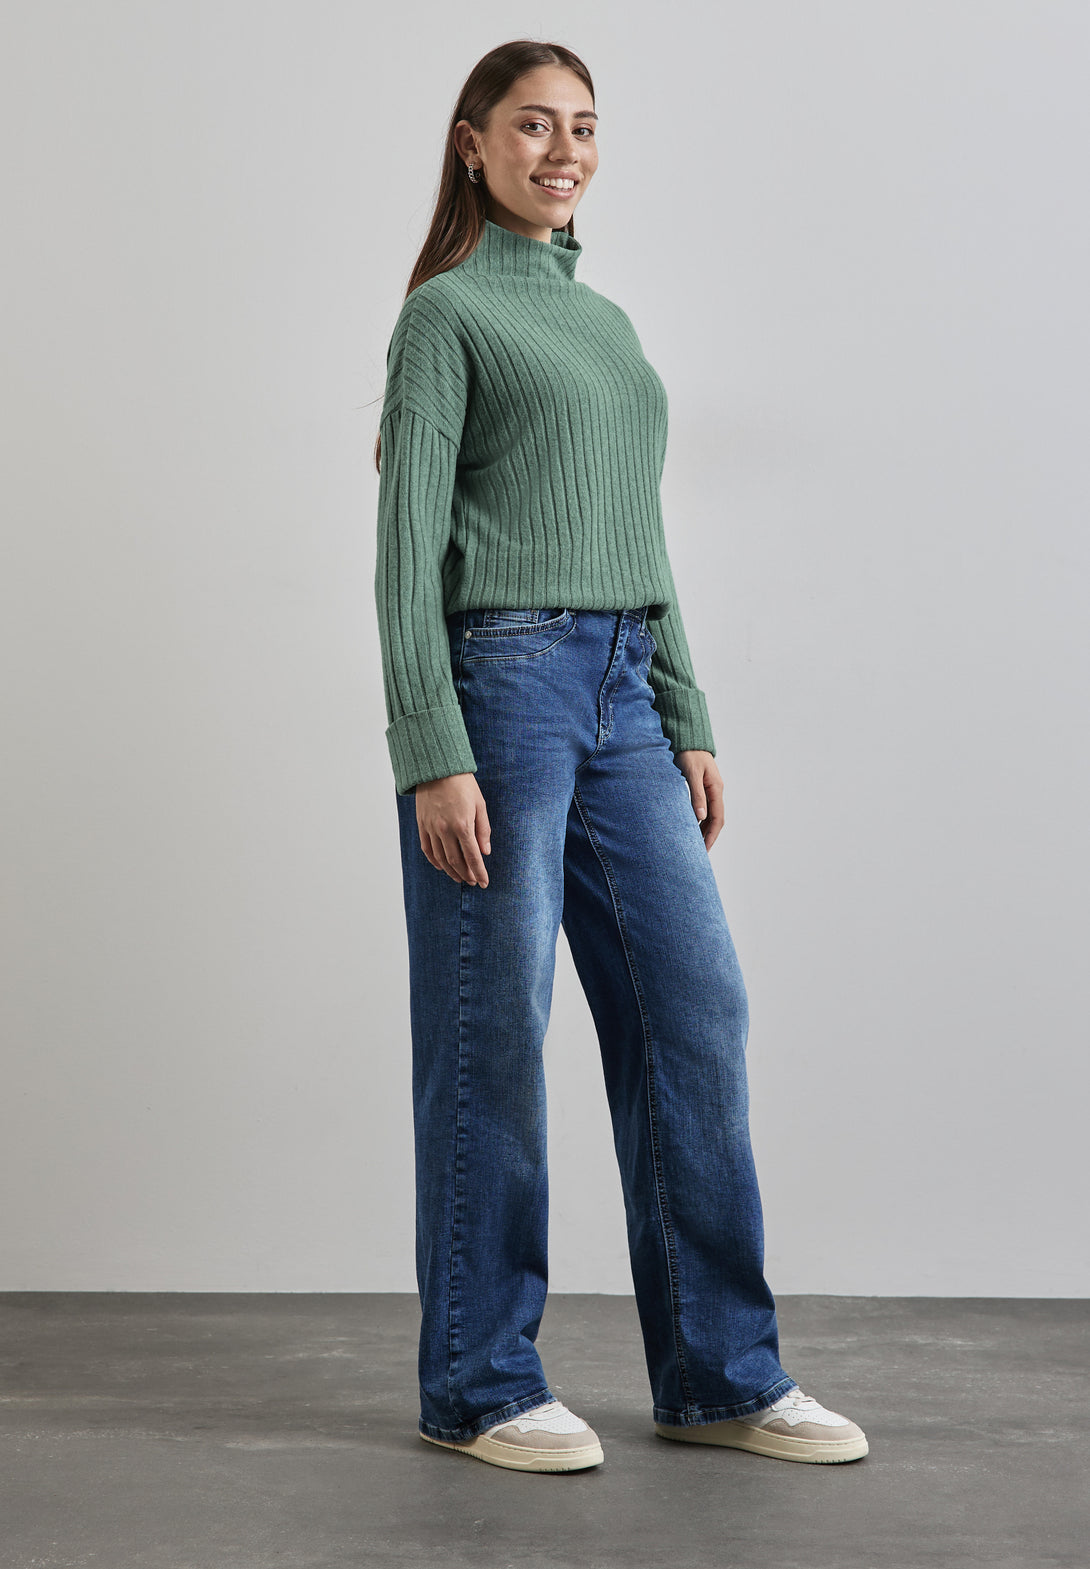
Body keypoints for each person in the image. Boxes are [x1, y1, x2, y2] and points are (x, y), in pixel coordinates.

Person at [373, 39, 868, 1473]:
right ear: (472, 143)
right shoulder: (445, 317)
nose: (564, 150)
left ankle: (718, 1371)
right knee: (491, 1032)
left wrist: (684, 708)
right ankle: (477, 1381)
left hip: (623, 696)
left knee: (694, 1008)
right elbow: (405, 550)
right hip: (502, 686)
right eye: (533, 125)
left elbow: (635, 531)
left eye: (584, 127)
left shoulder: (607, 322)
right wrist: (431, 745)